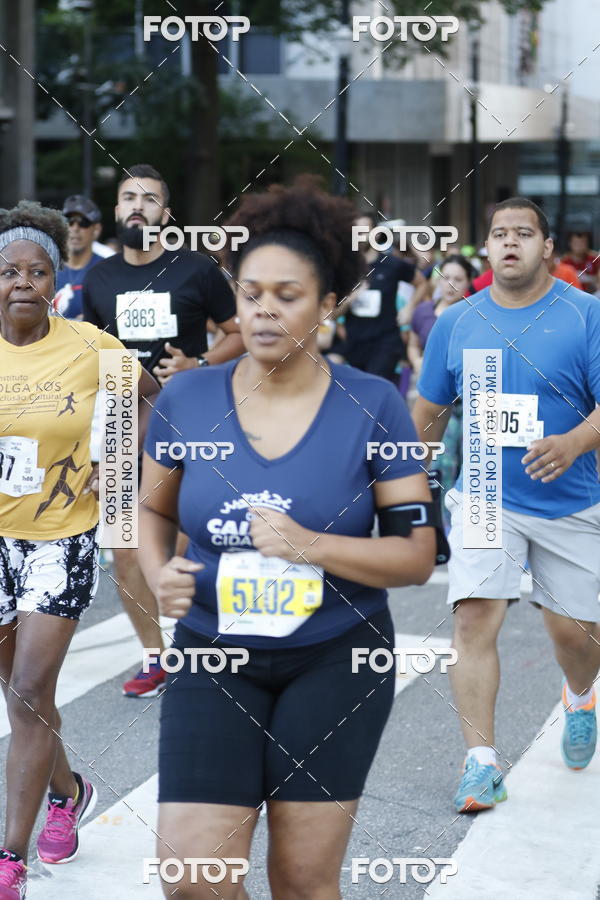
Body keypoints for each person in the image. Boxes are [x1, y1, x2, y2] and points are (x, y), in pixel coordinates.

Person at [139, 177, 440, 899]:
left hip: (338, 656)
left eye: (288, 294)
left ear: (328, 305)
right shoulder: (187, 397)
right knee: (193, 877)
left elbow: (416, 557)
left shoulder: (374, 405)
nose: (265, 309)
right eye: (250, 293)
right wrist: (156, 572)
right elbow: (151, 511)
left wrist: (311, 544)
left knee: (302, 880)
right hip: (215, 651)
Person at [412, 197, 600, 814]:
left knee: (575, 632)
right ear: (486, 248)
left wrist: (575, 441)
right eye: (499, 234)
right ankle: (481, 763)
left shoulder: (585, 315)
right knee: (473, 620)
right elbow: (430, 413)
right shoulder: (457, 321)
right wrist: (409, 482)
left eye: (524, 233)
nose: (510, 242)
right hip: (488, 491)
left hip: (573, 499)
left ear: (548, 248)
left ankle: (579, 694)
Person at [0, 201, 159, 897]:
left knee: (32, 689)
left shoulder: (91, 347)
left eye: (38, 271)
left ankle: (10, 856)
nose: (23, 283)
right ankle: (68, 792)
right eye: (9, 271)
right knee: (20, 698)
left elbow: (151, 395)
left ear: (56, 280)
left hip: (60, 538)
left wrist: (119, 460)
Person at [82, 163, 245, 699]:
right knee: (126, 551)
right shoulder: (100, 279)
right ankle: (156, 656)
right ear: (115, 211)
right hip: (125, 424)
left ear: (165, 214)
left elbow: (239, 331)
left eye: (149, 198)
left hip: (193, 417)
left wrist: (198, 364)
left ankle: (212, 642)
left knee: (188, 539)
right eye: (128, 196)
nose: (137, 205)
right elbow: (89, 356)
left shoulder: (195, 269)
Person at [340, 211, 423, 383]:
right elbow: (332, 313)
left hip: (385, 341)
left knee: (374, 385)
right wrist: (351, 297)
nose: (360, 236)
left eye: (364, 230)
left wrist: (409, 308)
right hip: (355, 342)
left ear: (376, 234)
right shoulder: (345, 268)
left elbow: (422, 283)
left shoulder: (392, 264)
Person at [53, 196, 109, 320]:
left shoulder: (107, 271)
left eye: (83, 222)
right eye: (69, 221)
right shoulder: (46, 267)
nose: (75, 228)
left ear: (96, 230)